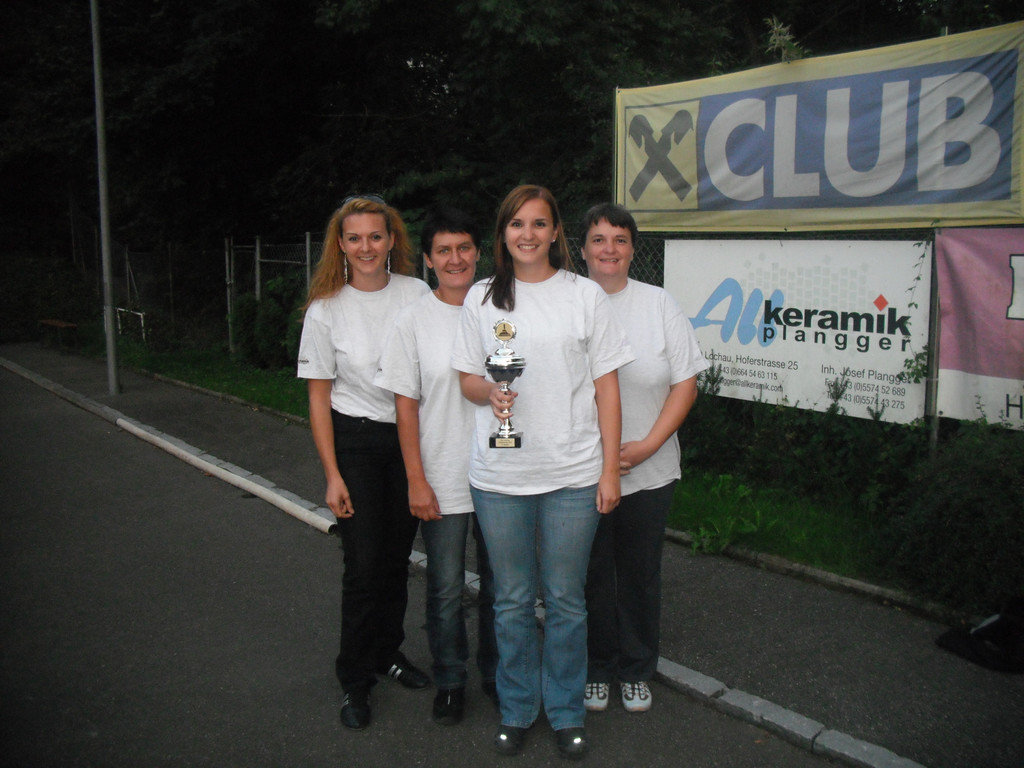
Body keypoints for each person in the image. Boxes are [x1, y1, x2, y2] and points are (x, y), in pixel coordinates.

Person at [451, 185, 634, 760]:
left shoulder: (585, 295)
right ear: (502, 233)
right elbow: (467, 379)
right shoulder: (481, 297)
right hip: (500, 477)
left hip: (573, 473)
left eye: (538, 223)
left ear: (555, 232)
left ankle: (565, 711)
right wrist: (490, 392)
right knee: (509, 600)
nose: (526, 234)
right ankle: (517, 708)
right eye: (516, 224)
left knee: (565, 601)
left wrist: (610, 471)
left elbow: (608, 389)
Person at [297, 195, 432, 731]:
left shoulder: (416, 293)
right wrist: (332, 475)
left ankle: (387, 652)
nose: (366, 247)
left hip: (410, 439)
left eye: (375, 236)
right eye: (354, 238)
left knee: (397, 560)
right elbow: (318, 398)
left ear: (392, 239)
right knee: (364, 564)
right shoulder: (325, 309)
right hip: (355, 442)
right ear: (341, 245)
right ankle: (354, 678)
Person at [580, 203, 708, 714]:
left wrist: (649, 444)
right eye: (598, 239)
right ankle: (596, 667)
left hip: (649, 471)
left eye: (620, 239)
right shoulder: (569, 301)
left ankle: (636, 669)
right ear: (582, 249)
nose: (609, 249)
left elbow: (685, 383)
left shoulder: (659, 304)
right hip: (582, 471)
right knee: (589, 577)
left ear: (634, 249)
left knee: (638, 575)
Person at [374, 207, 498, 726]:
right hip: (442, 476)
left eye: (464, 248)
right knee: (445, 588)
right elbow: (405, 408)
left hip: (501, 475)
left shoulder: (502, 308)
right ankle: (450, 680)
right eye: (443, 250)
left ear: (478, 253)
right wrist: (416, 480)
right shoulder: (412, 320)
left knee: (501, 588)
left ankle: (497, 674)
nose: (455, 259)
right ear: (427, 260)